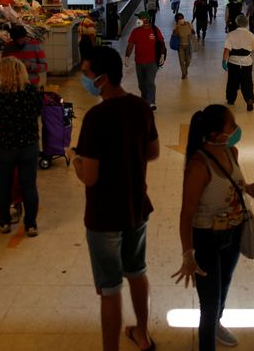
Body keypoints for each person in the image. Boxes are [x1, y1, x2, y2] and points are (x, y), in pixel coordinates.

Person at [74, 46, 160, 351]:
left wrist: (76, 162)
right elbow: (153, 152)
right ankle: (143, 333)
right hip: (136, 207)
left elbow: (91, 177)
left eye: (86, 74)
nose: (83, 78)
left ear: (102, 78)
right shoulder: (140, 107)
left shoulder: (96, 118)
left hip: (103, 215)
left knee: (110, 289)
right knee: (137, 273)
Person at [172, 104, 254, 351]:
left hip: (233, 234)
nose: (237, 129)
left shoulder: (232, 152)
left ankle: (217, 325)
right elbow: (186, 214)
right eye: (232, 125)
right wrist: (187, 255)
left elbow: (237, 182)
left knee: (224, 285)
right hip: (207, 240)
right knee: (210, 303)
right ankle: (208, 339)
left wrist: (249, 189)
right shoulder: (198, 166)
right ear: (216, 133)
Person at [0, 57, 42, 236]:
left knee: (4, 186)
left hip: (5, 147)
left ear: (2, 73)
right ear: (22, 72)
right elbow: (39, 111)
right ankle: (30, 225)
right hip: (29, 145)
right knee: (29, 186)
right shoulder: (32, 92)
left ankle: (5, 221)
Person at [125, 11, 164, 110]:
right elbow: (130, 45)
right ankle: (145, 100)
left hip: (152, 61)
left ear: (145, 19)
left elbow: (161, 43)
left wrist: (162, 55)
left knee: (150, 82)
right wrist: (127, 57)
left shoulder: (155, 30)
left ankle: (151, 102)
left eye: (139, 18)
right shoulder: (135, 31)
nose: (137, 20)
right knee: (141, 84)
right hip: (139, 62)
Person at [222, 14, 254, 111]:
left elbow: (226, 50)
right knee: (247, 82)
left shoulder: (231, 34)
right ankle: (249, 99)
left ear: (237, 23)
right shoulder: (251, 35)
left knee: (232, 82)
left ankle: (231, 99)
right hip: (247, 63)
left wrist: (224, 61)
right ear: (246, 23)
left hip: (233, 62)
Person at [173, 12, 195, 79]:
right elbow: (174, 35)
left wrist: (192, 32)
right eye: (179, 19)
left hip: (188, 45)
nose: (181, 19)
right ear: (177, 20)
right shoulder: (176, 26)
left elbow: (193, 32)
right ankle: (184, 73)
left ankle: (185, 70)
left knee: (188, 60)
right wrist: (177, 28)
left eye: (182, 18)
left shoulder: (188, 24)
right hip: (180, 46)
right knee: (182, 61)